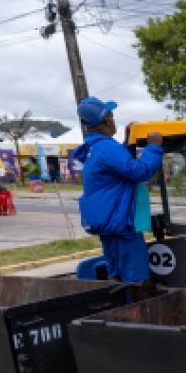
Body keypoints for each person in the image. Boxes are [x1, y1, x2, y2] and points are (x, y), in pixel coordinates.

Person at [71, 96, 164, 284]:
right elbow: (139, 171)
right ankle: (137, 311)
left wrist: (128, 143)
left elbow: (119, 166)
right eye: (111, 116)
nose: (114, 121)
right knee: (136, 278)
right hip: (122, 225)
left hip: (109, 224)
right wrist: (154, 147)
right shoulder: (107, 148)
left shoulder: (95, 148)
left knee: (117, 273)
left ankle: (119, 310)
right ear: (106, 119)